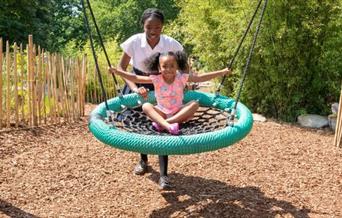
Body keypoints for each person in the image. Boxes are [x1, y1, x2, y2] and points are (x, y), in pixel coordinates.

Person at [109, 51, 232, 188]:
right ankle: (167, 125)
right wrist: (117, 72)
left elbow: (201, 77)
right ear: (159, 68)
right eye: (165, 66)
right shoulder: (156, 79)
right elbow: (135, 77)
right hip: (161, 112)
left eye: (172, 66)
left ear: (177, 66)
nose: (168, 69)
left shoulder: (182, 78)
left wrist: (221, 72)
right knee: (146, 106)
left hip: (178, 113)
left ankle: (168, 124)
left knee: (195, 104)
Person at [117, 8, 184, 189]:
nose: (153, 31)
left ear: (162, 27)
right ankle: (143, 160)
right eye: (149, 27)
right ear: (143, 26)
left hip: (162, 83)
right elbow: (122, 68)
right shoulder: (134, 42)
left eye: (157, 27)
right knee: (140, 124)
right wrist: (134, 89)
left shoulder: (170, 43)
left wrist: (184, 79)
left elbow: (184, 64)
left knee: (162, 123)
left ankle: (163, 175)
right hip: (138, 81)